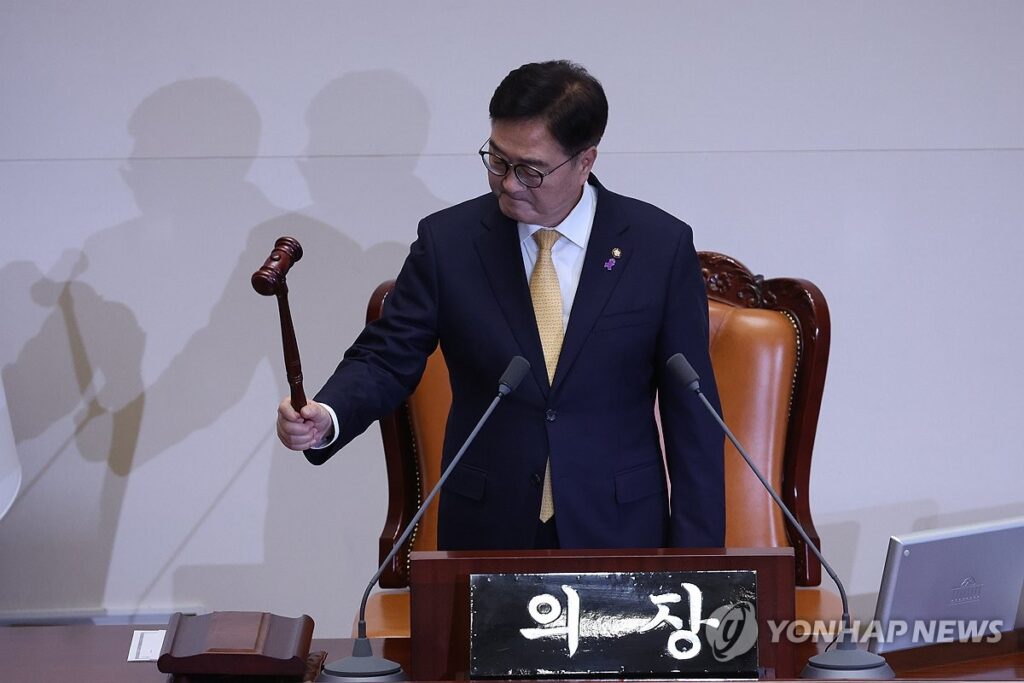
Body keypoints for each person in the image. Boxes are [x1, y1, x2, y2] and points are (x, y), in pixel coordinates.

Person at [276, 60, 724, 551]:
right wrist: (328, 415)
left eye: (530, 170)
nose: (509, 183)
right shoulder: (449, 243)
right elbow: (386, 355)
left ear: (585, 161)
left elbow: (693, 413)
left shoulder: (657, 246)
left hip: (617, 527)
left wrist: (699, 560)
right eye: (497, 160)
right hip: (488, 527)